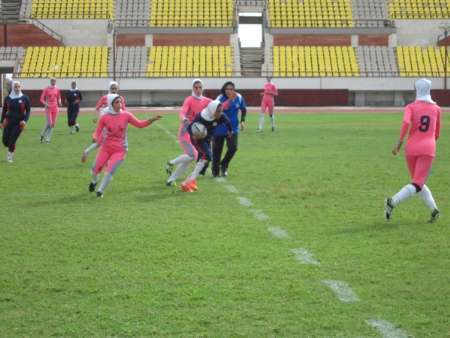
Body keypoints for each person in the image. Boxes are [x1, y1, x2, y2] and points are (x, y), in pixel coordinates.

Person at [385, 79, 441, 223]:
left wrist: (399, 142)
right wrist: (429, 145)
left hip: (411, 148)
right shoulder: (437, 109)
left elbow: (405, 123)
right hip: (428, 148)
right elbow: (436, 134)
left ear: (417, 90)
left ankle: (434, 210)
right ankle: (392, 201)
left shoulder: (410, 107)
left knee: (417, 182)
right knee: (418, 183)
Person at [89, 94, 161, 198]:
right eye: (117, 102)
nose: (120, 104)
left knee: (110, 170)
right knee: (94, 170)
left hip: (120, 149)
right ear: (111, 104)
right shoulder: (104, 117)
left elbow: (140, 124)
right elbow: (97, 131)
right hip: (106, 148)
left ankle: (100, 191)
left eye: (120, 102)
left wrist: (151, 119)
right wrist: (95, 137)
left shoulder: (126, 115)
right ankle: (94, 181)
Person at [165, 79, 212, 186]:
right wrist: (184, 119)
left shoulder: (206, 101)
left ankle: (171, 179)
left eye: (200, 87)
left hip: (196, 134)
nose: (198, 89)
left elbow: (217, 105)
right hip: (185, 132)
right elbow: (182, 112)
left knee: (189, 158)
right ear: (192, 88)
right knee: (192, 155)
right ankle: (171, 163)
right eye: (196, 87)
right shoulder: (189, 99)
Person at [181, 100, 233, 192]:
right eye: (218, 111)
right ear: (212, 111)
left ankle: (191, 181)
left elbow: (227, 121)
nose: (220, 113)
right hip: (198, 140)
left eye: (221, 110)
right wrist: (194, 135)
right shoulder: (202, 117)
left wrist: (230, 131)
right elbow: (190, 128)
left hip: (207, 139)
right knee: (208, 156)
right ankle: (187, 183)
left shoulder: (221, 116)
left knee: (205, 158)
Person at [81, 81, 127, 162]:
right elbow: (97, 107)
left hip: (116, 123)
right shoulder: (105, 97)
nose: (114, 90)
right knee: (107, 142)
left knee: (102, 143)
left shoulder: (120, 98)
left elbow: (124, 110)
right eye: (112, 88)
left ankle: (87, 151)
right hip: (106, 123)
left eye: (115, 88)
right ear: (109, 89)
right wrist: (95, 117)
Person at [213, 81, 247, 177]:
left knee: (233, 147)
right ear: (224, 89)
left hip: (232, 128)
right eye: (227, 89)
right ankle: (215, 171)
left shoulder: (239, 97)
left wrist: (242, 121)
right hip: (219, 129)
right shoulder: (219, 98)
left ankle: (224, 164)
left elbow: (243, 109)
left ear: (234, 90)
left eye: (231, 89)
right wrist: (229, 100)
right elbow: (217, 111)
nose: (229, 91)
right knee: (217, 151)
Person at [1, 81, 31, 163]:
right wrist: (1, 122)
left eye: (19, 87)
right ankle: (10, 146)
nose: (17, 88)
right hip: (9, 122)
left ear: (21, 87)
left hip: (19, 123)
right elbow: (4, 111)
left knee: (12, 140)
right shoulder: (8, 98)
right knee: (5, 141)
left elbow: (28, 111)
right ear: (13, 88)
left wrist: (25, 121)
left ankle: (10, 156)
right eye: (16, 87)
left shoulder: (25, 98)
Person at [40, 78, 61, 143]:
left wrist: (60, 102)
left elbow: (59, 97)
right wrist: (46, 104)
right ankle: (43, 134)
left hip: (55, 108)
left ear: (55, 81)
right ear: (50, 81)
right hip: (48, 108)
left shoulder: (57, 89)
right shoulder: (46, 89)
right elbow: (41, 99)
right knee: (49, 123)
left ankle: (47, 138)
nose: (53, 82)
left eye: (54, 81)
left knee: (52, 125)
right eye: (52, 81)